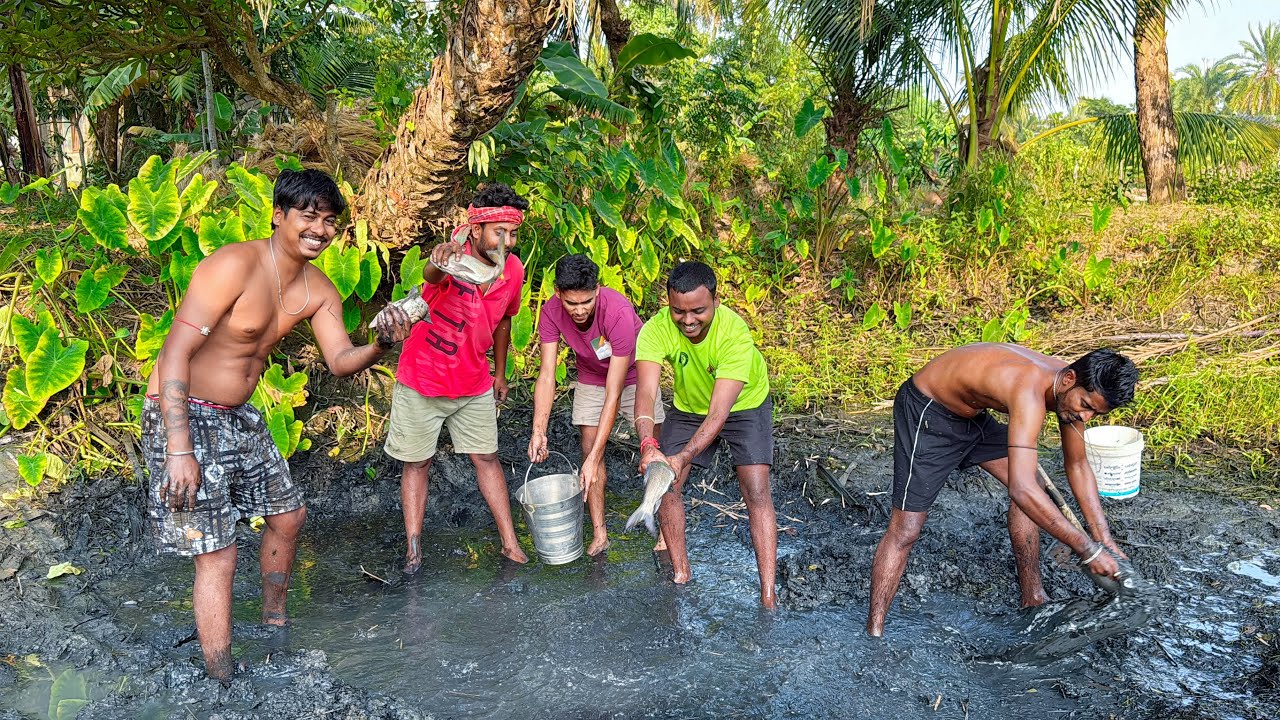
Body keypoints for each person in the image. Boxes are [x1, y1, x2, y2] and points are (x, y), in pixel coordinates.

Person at [144, 169, 414, 683]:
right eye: (308, 216)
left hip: (238, 414)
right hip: (181, 409)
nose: (319, 229)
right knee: (217, 551)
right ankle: (221, 676)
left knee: (288, 517)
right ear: (278, 215)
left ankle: (274, 624)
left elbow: (339, 360)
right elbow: (175, 351)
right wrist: (179, 448)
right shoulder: (232, 266)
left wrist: (383, 342)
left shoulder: (318, 289)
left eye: (330, 221)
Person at [866, 344, 1140, 637]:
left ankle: (1033, 597)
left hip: (971, 417)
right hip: (929, 412)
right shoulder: (1029, 390)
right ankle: (875, 630)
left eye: (1094, 413)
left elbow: (1078, 465)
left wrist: (1104, 539)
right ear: (1070, 379)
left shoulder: (1072, 387)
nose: (1085, 417)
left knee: (1037, 492)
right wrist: (1087, 549)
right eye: (1085, 406)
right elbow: (1021, 490)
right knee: (906, 530)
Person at [385, 182, 529, 574]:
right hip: (423, 378)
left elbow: (504, 322)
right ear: (478, 230)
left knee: (487, 457)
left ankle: (511, 544)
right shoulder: (452, 257)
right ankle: (414, 551)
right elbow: (432, 276)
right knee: (417, 464)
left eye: (513, 233)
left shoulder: (511, 270)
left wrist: (500, 372)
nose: (507, 241)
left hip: (474, 381)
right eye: (499, 232)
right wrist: (437, 259)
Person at [633, 260, 779, 609]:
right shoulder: (655, 329)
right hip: (688, 406)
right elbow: (645, 395)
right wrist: (648, 445)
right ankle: (681, 573)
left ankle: (768, 595)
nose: (687, 320)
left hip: (743, 403)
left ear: (715, 300)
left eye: (698, 310)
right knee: (668, 482)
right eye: (678, 311)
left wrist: (683, 457)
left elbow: (719, 414)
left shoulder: (734, 333)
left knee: (756, 487)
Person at [526, 254, 665, 556]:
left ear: (598, 290)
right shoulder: (550, 312)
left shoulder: (617, 312)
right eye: (571, 303)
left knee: (654, 448)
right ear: (558, 293)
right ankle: (600, 535)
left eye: (586, 302)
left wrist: (596, 455)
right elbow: (547, 374)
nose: (578, 310)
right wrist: (539, 430)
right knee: (588, 452)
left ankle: (665, 530)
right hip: (591, 376)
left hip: (633, 375)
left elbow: (614, 393)